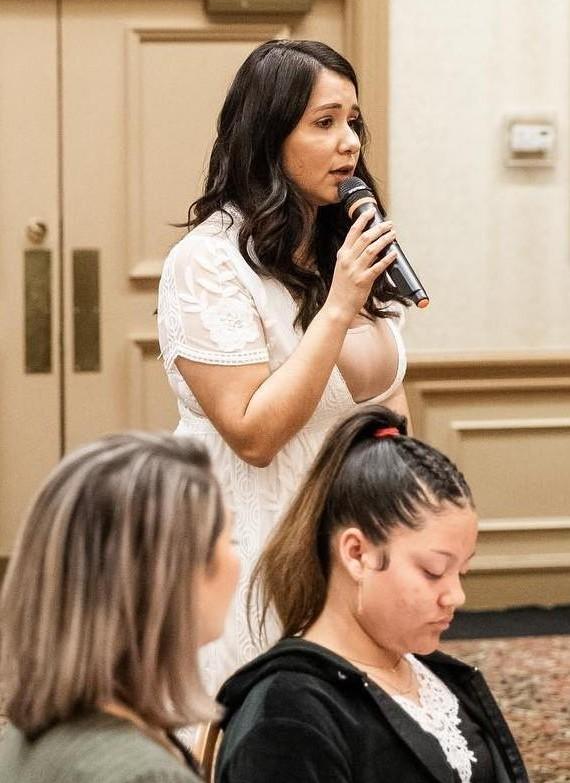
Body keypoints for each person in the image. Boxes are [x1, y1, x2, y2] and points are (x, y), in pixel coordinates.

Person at [157, 39, 413, 689]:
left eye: (353, 121)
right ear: (269, 137)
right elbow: (254, 435)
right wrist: (339, 308)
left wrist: (409, 518)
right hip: (253, 550)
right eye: (324, 122)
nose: (349, 142)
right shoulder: (208, 262)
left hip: (355, 541)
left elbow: (387, 404)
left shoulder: (343, 248)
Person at [215, 406, 530, 783]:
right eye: (433, 571)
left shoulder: (434, 677)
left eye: (461, 572)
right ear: (357, 554)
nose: (455, 596)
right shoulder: (286, 717)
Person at [0, 432, 239, 783]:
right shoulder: (146, 774)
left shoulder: (21, 739)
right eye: (230, 540)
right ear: (169, 579)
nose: (238, 561)